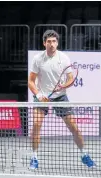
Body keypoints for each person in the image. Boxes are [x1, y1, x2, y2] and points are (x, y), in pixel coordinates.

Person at [28, 30, 95, 170]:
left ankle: (84, 155)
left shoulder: (63, 58)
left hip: (60, 97)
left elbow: (71, 78)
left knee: (74, 128)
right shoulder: (37, 59)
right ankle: (34, 157)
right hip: (42, 97)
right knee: (35, 125)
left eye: (54, 41)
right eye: (49, 42)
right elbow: (31, 81)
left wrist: (63, 86)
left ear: (57, 43)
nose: (51, 44)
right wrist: (39, 95)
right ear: (44, 43)